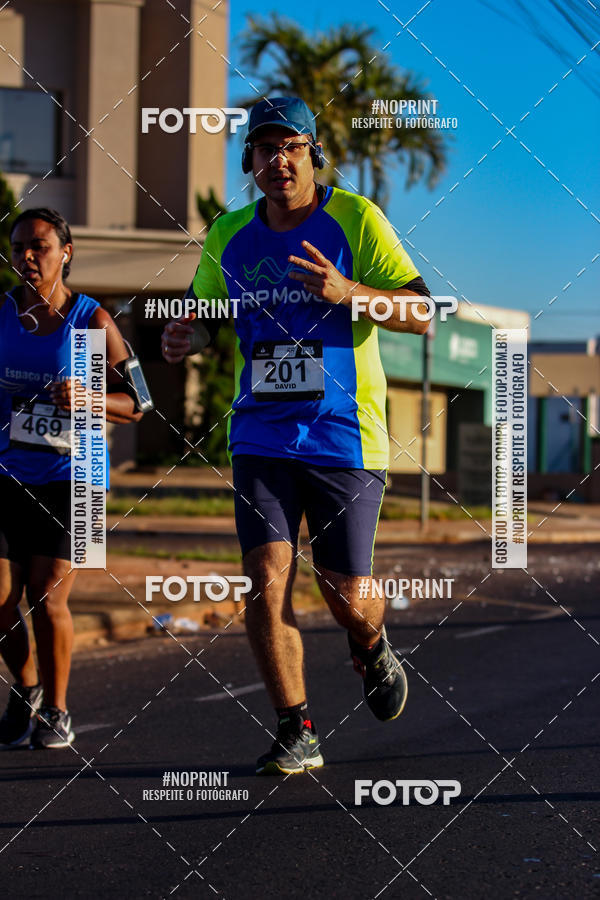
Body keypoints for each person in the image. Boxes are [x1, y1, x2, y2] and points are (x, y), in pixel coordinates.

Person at [161, 97, 432, 775]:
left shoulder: (357, 219)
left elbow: (423, 313)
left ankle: (371, 643)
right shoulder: (227, 234)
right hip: (260, 436)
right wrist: (184, 337)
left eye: (291, 147)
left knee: (344, 593)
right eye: (263, 149)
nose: (277, 161)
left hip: (346, 437)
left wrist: (351, 293)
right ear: (248, 161)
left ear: (312, 154)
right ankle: (296, 728)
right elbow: (202, 318)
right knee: (265, 576)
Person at [0, 207, 143, 749]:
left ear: (66, 252)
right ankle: (27, 688)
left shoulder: (92, 322)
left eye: (39, 245)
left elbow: (141, 403)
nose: (27, 256)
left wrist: (91, 398)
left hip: (77, 477)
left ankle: (57, 709)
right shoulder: (2, 314)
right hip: (8, 471)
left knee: (46, 595)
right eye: (17, 248)